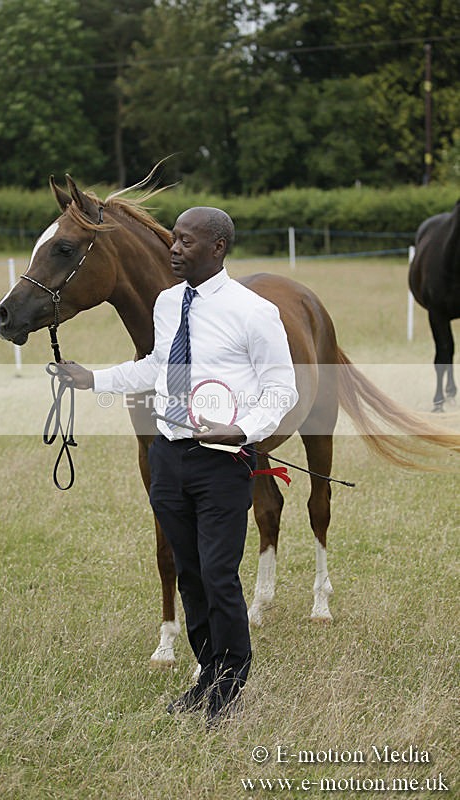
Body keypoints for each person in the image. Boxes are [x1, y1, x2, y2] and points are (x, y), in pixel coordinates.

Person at [58, 206, 298, 727]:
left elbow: (283, 390)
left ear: (217, 248)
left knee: (218, 574)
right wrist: (94, 379)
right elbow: (155, 366)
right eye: (173, 240)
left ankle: (230, 686)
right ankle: (207, 672)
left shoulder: (255, 313)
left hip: (221, 460)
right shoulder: (168, 304)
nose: (174, 249)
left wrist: (244, 431)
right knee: (189, 574)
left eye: (186, 242)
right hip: (168, 457)